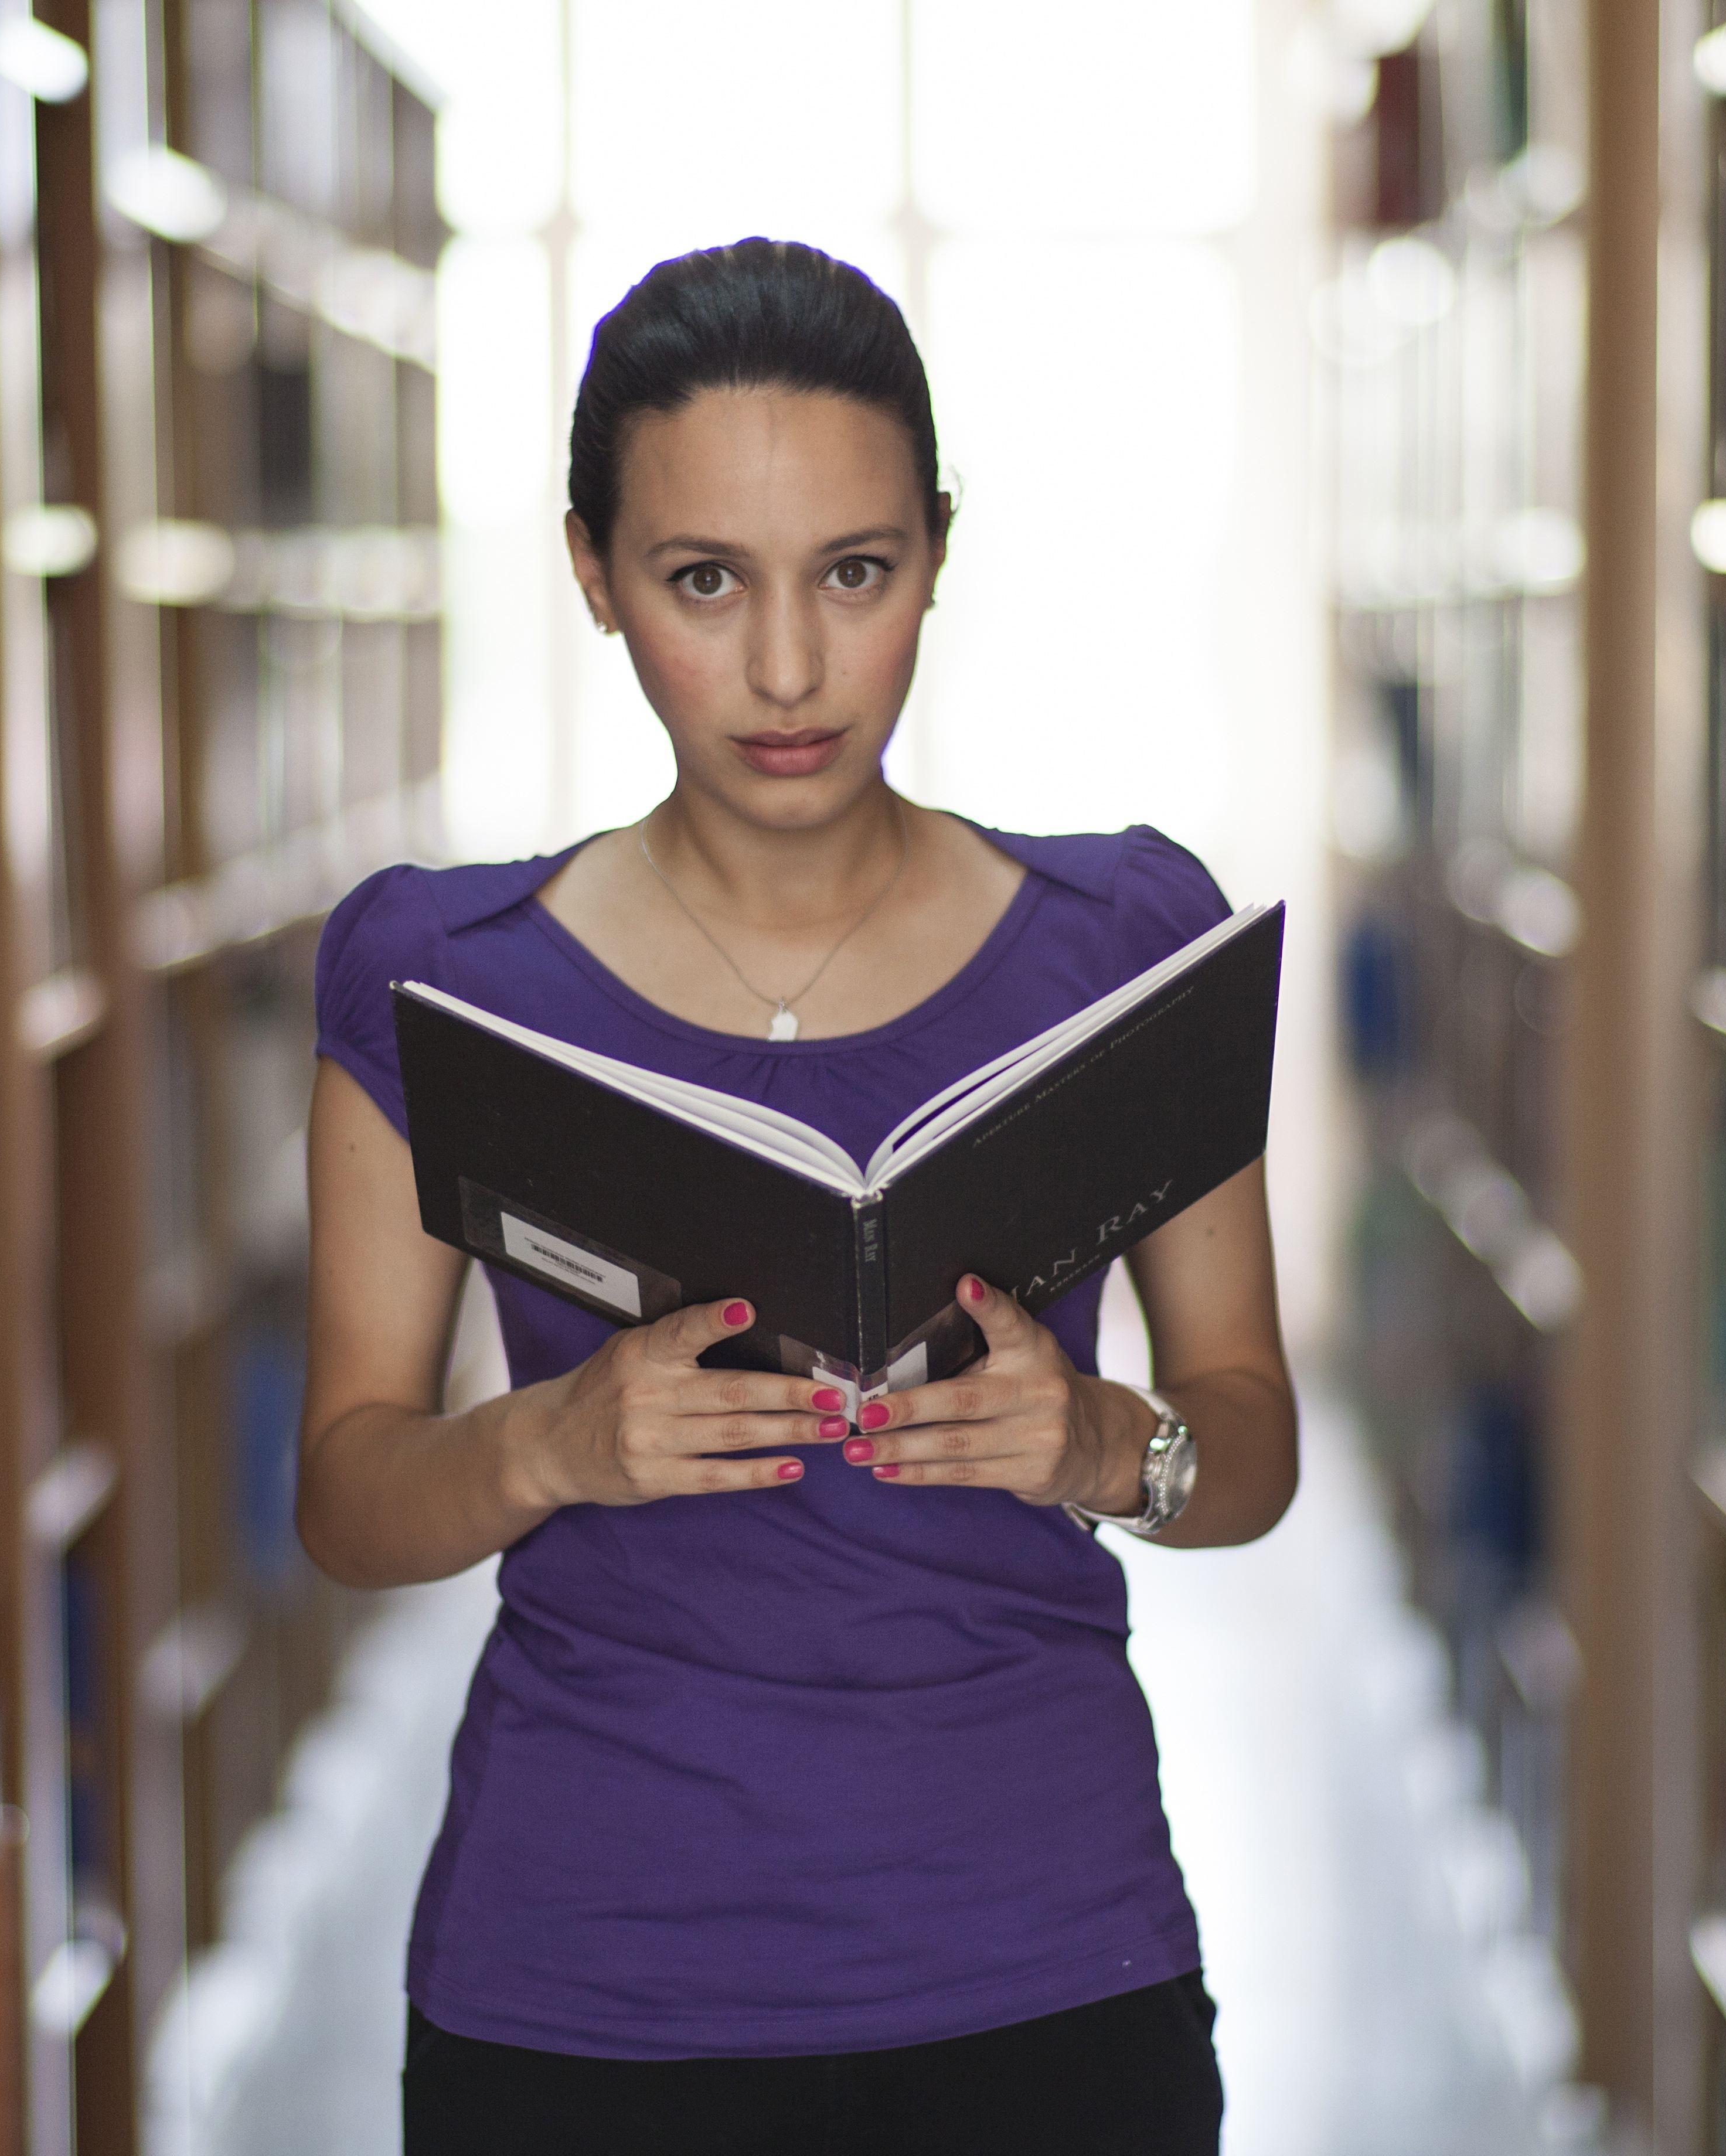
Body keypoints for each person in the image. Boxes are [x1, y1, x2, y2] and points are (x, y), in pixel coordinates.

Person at [300, 237, 1298, 2155]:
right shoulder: (441, 977)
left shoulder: (1124, 940)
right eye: (702, 582)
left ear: (936, 551)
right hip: (583, 1981)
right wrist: (553, 1443)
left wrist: (1101, 1441)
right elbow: (345, 1495)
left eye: (854, 574)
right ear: (590, 572)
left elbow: (1248, 1444)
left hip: (1047, 1959)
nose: (785, 670)